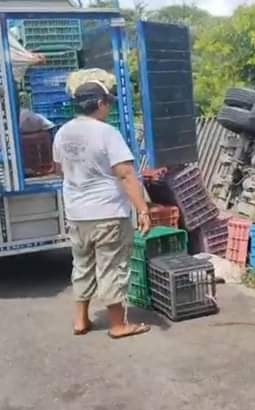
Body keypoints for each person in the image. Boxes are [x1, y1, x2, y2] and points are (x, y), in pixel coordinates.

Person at [53, 80, 152, 339]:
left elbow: (59, 168)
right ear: (99, 103)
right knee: (112, 266)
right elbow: (126, 174)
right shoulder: (106, 133)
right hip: (107, 212)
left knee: (82, 265)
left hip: (77, 213)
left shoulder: (62, 133)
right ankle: (118, 325)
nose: (108, 108)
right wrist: (142, 209)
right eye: (108, 103)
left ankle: (80, 320)